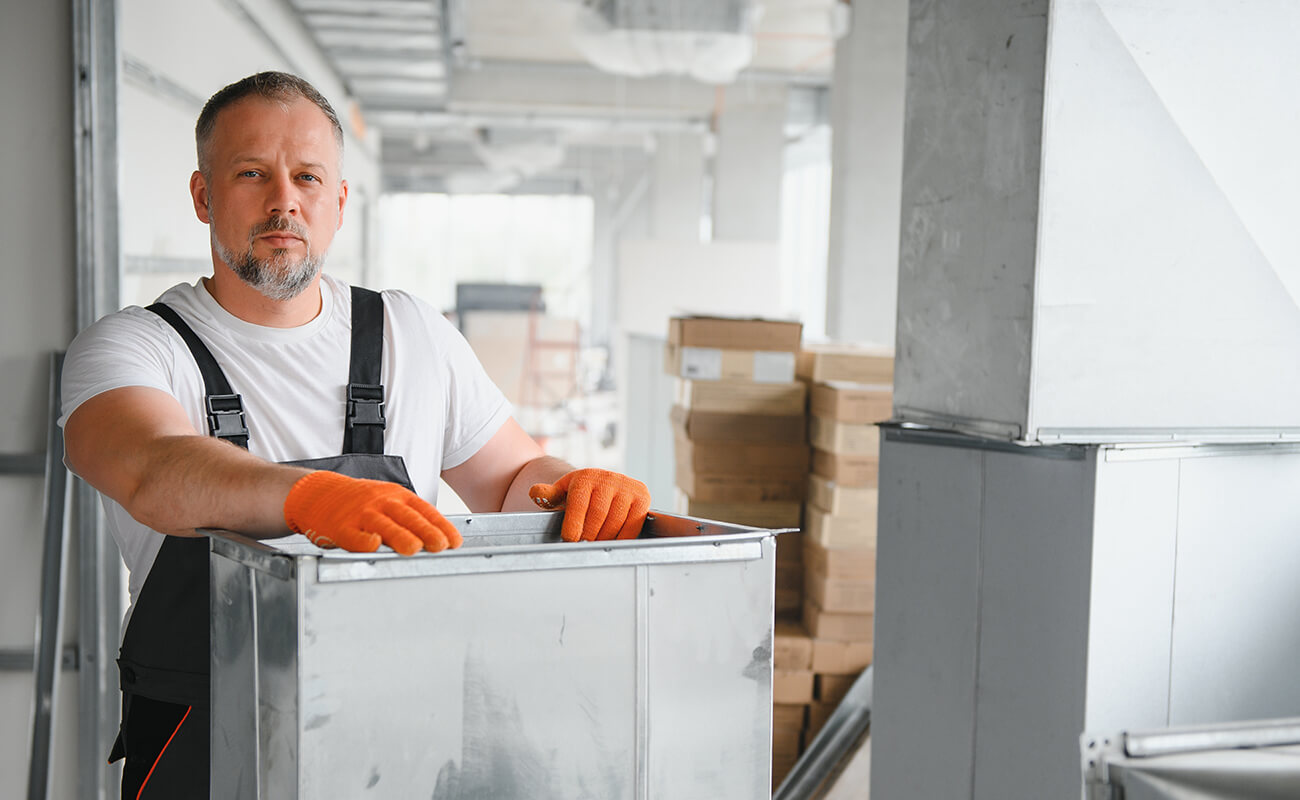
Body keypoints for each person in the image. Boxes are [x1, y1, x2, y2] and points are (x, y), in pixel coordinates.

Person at [59, 71, 652, 799]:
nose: (285, 200)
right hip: (210, 745)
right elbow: (153, 468)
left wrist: (576, 484)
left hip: (406, 736)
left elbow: (512, 478)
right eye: (252, 174)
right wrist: (306, 498)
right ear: (203, 195)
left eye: (308, 177)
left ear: (338, 203)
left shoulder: (412, 333)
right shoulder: (133, 347)